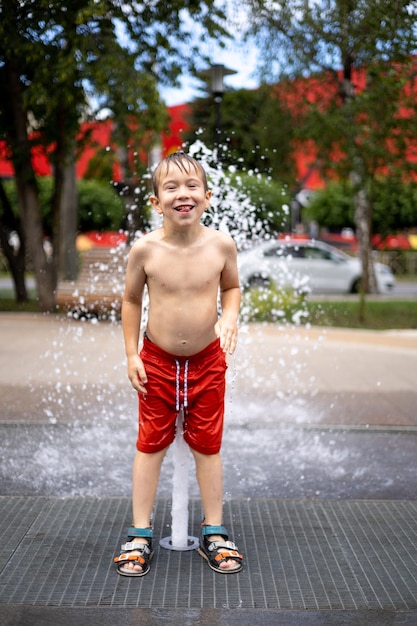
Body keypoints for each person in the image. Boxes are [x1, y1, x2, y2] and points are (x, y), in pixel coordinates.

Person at [114, 151, 243, 577]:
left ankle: (215, 530)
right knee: (151, 443)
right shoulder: (145, 249)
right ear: (156, 201)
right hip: (157, 359)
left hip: (207, 361)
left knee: (208, 446)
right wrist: (132, 352)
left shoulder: (221, 245)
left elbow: (233, 288)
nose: (182, 194)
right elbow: (132, 300)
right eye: (171, 187)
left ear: (207, 196)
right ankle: (139, 533)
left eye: (191, 187)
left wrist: (229, 316)